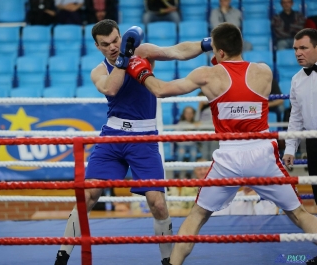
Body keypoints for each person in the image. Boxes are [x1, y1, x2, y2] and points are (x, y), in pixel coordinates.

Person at [125, 22, 317, 265]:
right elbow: (238, 80)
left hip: (229, 157)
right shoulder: (264, 71)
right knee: (299, 214)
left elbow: (161, 90)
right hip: (262, 153)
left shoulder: (207, 75)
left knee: (197, 216)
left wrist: (139, 69)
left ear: (220, 52)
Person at [53, 19, 209, 265]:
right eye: (106, 44)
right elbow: (112, 89)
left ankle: (168, 260)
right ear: (98, 46)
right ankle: (62, 256)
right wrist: (124, 59)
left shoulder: (142, 52)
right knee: (88, 195)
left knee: (157, 203)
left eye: (116, 40)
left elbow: (177, 51)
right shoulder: (99, 71)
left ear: (120, 35)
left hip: (144, 138)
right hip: (113, 136)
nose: (113, 47)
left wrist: (206, 44)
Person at [283, 28, 317, 214]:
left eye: (303, 48)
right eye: (295, 49)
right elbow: (295, 117)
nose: (298, 53)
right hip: (312, 143)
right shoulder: (297, 80)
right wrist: (290, 148)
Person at [212, 186, 279, 215]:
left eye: (250, 181)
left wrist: (255, 201)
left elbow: (268, 224)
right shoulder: (234, 197)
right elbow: (216, 217)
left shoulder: (269, 198)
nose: (247, 186)